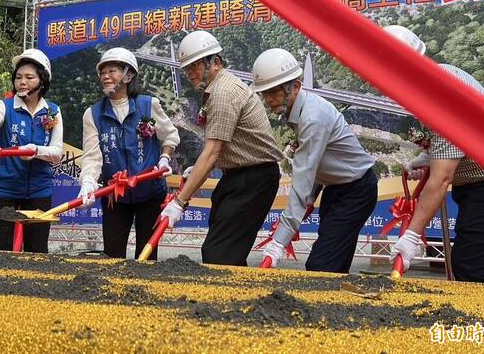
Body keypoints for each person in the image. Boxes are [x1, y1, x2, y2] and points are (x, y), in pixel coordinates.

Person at [384, 25, 484, 284]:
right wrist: (426, 159)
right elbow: (462, 138)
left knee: (471, 265)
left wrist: (412, 235)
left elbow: (442, 178)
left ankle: (483, 322)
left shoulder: (440, 95)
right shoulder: (441, 75)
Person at [160, 31, 283, 266]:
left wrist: (179, 202)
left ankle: (236, 300)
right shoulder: (218, 89)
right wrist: (196, 169)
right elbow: (221, 148)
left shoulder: (223, 92)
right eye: (187, 68)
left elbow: (213, 151)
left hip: (253, 179)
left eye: (195, 66)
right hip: (238, 177)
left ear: (214, 62)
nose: (190, 73)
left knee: (220, 253)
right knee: (224, 250)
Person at [251, 48, 377, 272]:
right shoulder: (297, 111)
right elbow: (316, 169)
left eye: (275, 92)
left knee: (322, 265)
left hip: (356, 191)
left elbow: (304, 175)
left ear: (296, 86)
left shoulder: (312, 117)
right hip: (335, 188)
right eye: (265, 93)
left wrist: (280, 239)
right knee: (334, 262)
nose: (269, 99)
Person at [79, 48, 179, 260]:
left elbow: (170, 136)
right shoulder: (93, 114)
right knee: (113, 256)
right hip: (115, 196)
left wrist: (164, 157)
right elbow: (91, 156)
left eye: (112, 71)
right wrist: (88, 181)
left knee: (146, 256)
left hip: (150, 193)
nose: (106, 76)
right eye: (103, 72)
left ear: (128, 75)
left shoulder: (148, 105)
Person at [0, 49, 63, 253]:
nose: (22, 82)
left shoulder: (53, 111)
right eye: (18, 77)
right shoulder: (5, 106)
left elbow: (57, 152)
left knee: (37, 251)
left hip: (39, 189)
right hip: (3, 188)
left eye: (29, 77)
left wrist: (36, 150)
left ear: (43, 81)